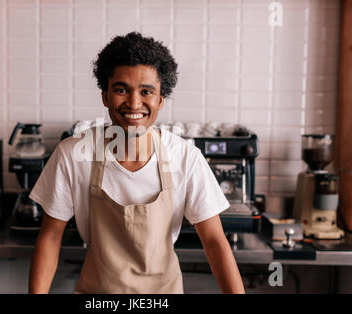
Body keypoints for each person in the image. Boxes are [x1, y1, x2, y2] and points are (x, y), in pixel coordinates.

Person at [28, 32, 245, 294]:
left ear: (161, 100)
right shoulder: (74, 154)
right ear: (105, 96)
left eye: (146, 92)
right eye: (121, 90)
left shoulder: (184, 157)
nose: (134, 103)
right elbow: (51, 237)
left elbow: (214, 242)